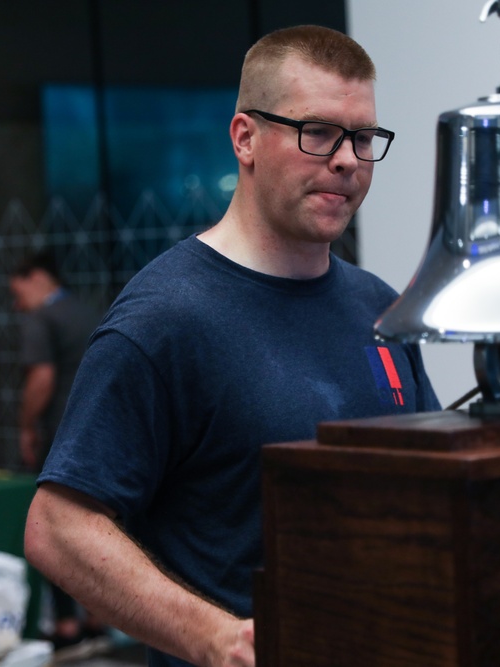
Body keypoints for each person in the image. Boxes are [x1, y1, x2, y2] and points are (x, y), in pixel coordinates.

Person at [23, 25, 441, 667]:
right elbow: (58, 529)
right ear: (245, 137)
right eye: (319, 132)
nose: (348, 161)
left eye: (363, 138)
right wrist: (217, 638)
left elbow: (428, 485)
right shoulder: (166, 318)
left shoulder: (379, 308)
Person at [9, 251, 104, 651]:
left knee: (51, 526)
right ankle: (98, 616)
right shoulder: (88, 312)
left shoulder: (42, 319)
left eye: (18, 293)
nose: (18, 304)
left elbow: (42, 378)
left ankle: (66, 622)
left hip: (62, 437)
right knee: (100, 525)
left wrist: (27, 426)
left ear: (35, 278)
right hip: (101, 430)